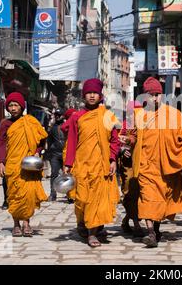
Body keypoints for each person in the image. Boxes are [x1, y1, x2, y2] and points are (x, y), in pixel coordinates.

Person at [130, 77, 182, 247]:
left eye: (158, 94)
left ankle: (155, 228)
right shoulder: (138, 115)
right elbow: (132, 135)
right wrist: (128, 142)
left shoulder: (172, 114)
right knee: (147, 197)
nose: (155, 98)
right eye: (151, 95)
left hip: (165, 166)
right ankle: (150, 232)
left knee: (160, 200)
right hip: (145, 165)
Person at [63, 79, 121, 247]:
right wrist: (68, 163)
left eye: (95, 93)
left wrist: (112, 159)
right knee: (82, 199)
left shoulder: (107, 116)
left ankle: (92, 233)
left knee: (97, 199)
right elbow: (72, 141)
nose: (92, 96)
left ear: (100, 95)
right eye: (89, 93)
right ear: (84, 96)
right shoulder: (77, 117)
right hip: (82, 164)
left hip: (101, 165)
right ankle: (84, 223)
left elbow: (114, 141)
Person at [0, 92, 48, 237]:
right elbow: (0, 144)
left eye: (16, 105)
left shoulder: (31, 122)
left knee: (28, 195)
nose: (13, 108)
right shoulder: (5, 124)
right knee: (14, 195)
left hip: (29, 165)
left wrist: (38, 151)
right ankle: (16, 224)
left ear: (22, 107)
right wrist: (1, 162)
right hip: (13, 164)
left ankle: (26, 223)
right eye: (10, 105)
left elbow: (41, 139)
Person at [118, 101, 144, 237]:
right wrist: (122, 150)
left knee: (140, 193)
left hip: (142, 164)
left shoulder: (145, 124)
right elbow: (115, 142)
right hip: (128, 165)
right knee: (130, 192)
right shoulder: (124, 125)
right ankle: (136, 224)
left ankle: (127, 220)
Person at [46, 108, 66, 202]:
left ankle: (70, 194)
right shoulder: (52, 128)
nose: (57, 117)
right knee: (54, 174)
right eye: (56, 115)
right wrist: (49, 151)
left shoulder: (67, 126)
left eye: (59, 115)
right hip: (55, 154)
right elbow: (49, 141)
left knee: (68, 174)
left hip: (65, 153)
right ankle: (52, 194)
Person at [61, 108, 77, 204]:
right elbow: (64, 128)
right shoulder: (68, 124)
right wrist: (73, 118)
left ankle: (77, 193)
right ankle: (71, 195)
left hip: (79, 149)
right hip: (69, 149)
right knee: (69, 172)